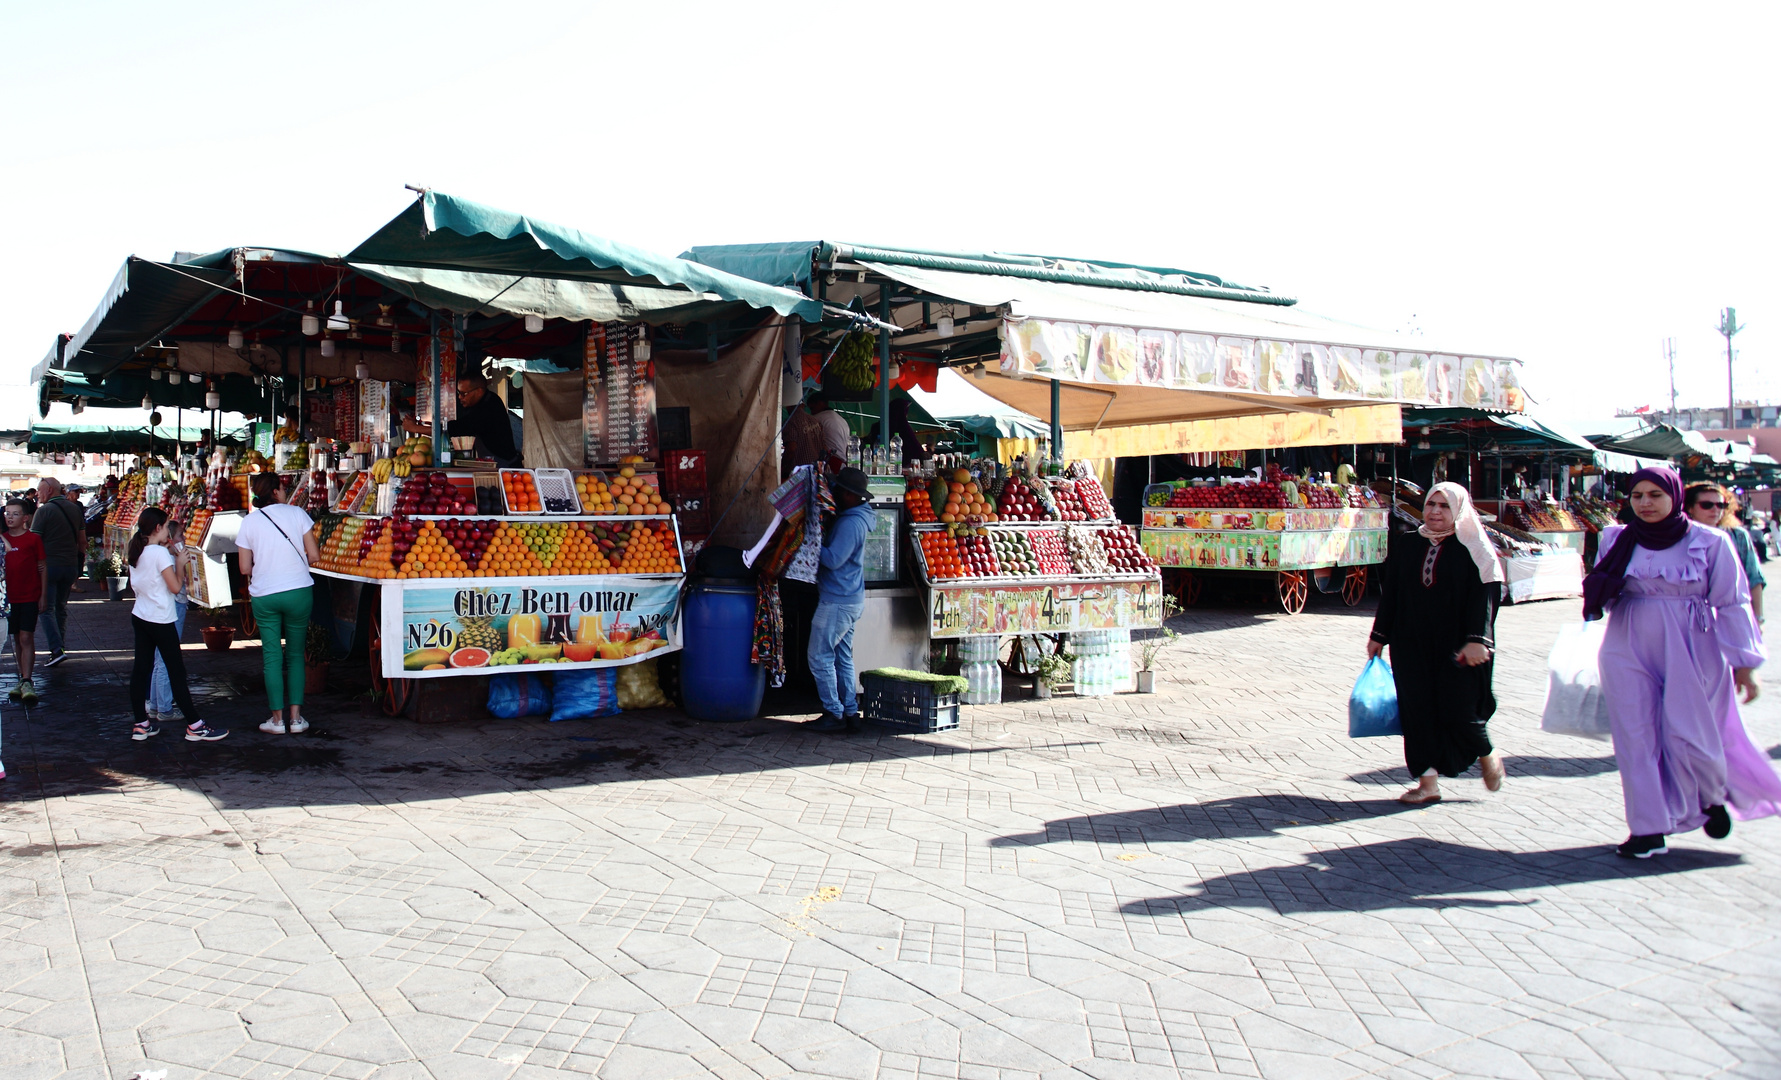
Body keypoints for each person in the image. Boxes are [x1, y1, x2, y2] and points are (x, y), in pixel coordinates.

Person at [1584, 466, 1781, 859]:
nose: (1645, 503)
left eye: (1655, 495)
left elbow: (1732, 602)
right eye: (1637, 495)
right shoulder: (1616, 539)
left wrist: (1744, 664)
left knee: (1691, 734)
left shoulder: (1711, 541)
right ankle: (1648, 829)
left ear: (1675, 497)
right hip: (1627, 642)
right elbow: (1602, 591)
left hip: (1694, 642)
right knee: (1635, 738)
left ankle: (1710, 797)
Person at [1366, 482, 1505, 805]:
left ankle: (1486, 753)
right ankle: (1427, 784)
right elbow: (1393, 592)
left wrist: (1477, 640)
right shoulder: (1409, 544)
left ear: (1457, 509)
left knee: (1459, 708)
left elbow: (1485, 597)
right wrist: (1379, 635)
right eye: (1431, 504)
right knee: (1416, 712)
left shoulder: (1474, 547)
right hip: (1410, 642)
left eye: (1443, 506)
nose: (1435, 512)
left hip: (1458, 646)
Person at [126, 507, 222, 742]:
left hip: (141, 615)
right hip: (161, 618)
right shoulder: (159, 554)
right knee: (176, 672)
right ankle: (195, 725)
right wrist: (179, 563)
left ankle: (141, 723)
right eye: (167, 525)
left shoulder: (136, 551)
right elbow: (175, 588)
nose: (169, 529)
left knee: (141, 670)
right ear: (158, 528)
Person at [236, 473, 320, 735]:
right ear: (275, 491)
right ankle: (296, 719)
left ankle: (276, 720)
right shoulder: (297, 514)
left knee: (271, 657)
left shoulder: (249, 522)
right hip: (298, 591)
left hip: (265, 594)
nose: (285, 491)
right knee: (296, 655)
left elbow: (244, 567)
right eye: (283, 487)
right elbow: (314, 556)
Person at [808, 467, 876, 733]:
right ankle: (849, 711)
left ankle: (833, 712)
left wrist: (811, 543)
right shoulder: (857, 518)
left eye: (839, 490)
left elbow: (834, 559)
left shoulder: (851, 523)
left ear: (850, 495)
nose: (834, 493)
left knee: (819, 655)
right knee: (841, 657)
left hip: (838, 600)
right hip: (848, 598)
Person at [1684, 483, 1764, 622]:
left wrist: (1758, 618)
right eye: (1707, 505)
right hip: (1690, 616)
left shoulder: (1737, 535)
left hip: (1730, 614)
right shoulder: (1680, 537)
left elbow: (1754, 579)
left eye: (1721, 505)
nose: (1715, 510)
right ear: (1690, 508)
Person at [402, 374, 520, 467]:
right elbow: (460, 424)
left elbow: (458, 428)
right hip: (493, 463)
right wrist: (432, 425)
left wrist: (415, 428)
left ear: (479, 391)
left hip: (504, 465)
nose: (460, 397)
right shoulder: (482, 402)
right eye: (459, 393)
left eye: (464, 393)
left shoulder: (489, 406)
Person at [30, 477, 85, 667]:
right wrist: (79, 565)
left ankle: (56, 649)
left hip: (48, 568)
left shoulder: (43, 511)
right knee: (61, 608)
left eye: (40, 490)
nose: (38, 493)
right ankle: (60, 648)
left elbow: (33, 542)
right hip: (69, 566)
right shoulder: (75, 508)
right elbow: (82, 541)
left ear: (51, 490)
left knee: (45, 609)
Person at [147, 512, 191, 724]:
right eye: (181, 536)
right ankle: (164, 707)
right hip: (171, 608)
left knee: (159, 658)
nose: (184, 540)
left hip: (154, 610)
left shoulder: (149, 553)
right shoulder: (165, 556)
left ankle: (157, 704)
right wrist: (181, 564)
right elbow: (175, 587)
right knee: (165, 658)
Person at [3, 498, 47, 705]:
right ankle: (22, 679)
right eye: (7, 513)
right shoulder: (2, 539)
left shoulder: (33, 540)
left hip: (29, 595)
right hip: (8, 599)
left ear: (25, 518)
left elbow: (42, 566)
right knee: (16, 639)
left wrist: (43, 595)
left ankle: (28, 679)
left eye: (15, 513)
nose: (10, 517)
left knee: (26, 637)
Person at [865, 399, 933, 466]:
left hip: (878, 466)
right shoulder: (904, 428)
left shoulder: (878, 426)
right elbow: (916, 450)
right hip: (899, 468)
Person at [806, 393, 852, 473]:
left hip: (830, 463)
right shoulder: (842, 420)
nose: (811, 412)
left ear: (820, 403)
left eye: (812, 408)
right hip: (843, 463)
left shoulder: (816, 418)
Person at [782, 399, 825, 475]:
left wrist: (783, 467)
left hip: (799, 473)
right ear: (803, 405)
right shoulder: (815, 420)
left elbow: (791, 449)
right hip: (816, 470)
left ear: (788, 406)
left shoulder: (791, 421)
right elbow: (824, 447)